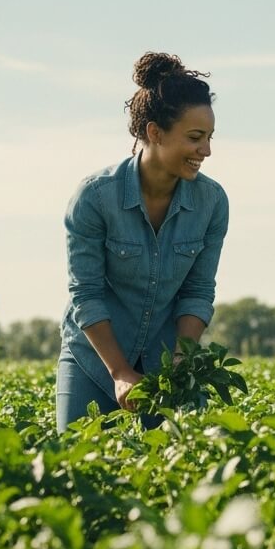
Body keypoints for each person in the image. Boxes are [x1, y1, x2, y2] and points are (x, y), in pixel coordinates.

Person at [56, 52, 228, 432]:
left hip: (165, 361)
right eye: (195, 138)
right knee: (75, 457)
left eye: (209, 138)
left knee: (185, 456)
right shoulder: (95, 198)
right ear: (155, 132)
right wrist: (120, 371)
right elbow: (86, 293)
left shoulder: (212, 202)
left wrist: (180, 363)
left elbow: (198, 291)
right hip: (95, 359)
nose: (206, 151)